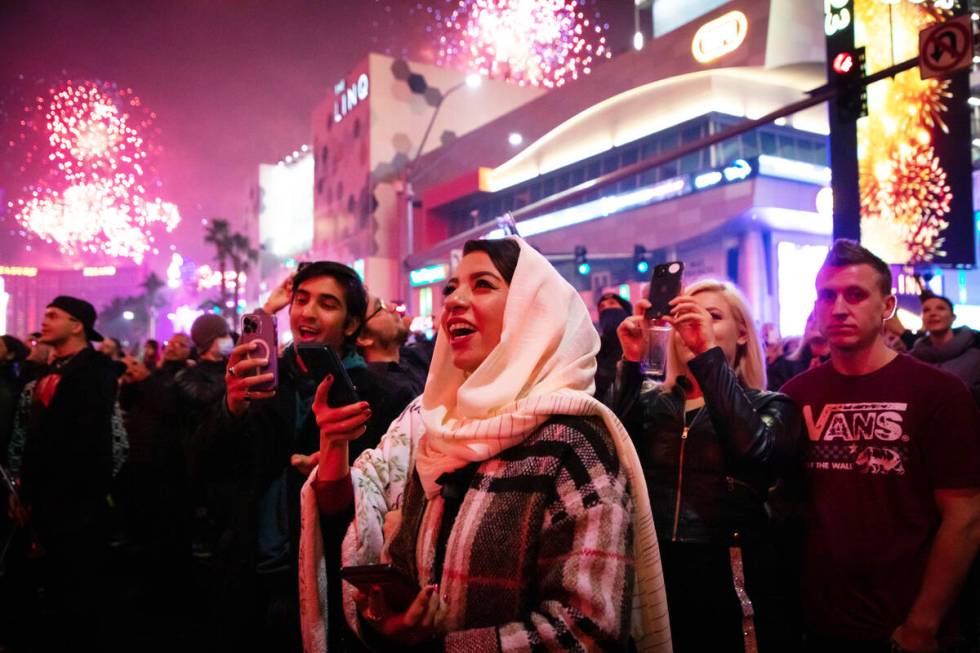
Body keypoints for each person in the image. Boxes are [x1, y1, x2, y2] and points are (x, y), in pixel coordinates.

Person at [298, 238, 671, 653]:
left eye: (482, 285)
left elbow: (585, 629)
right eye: (454, 287)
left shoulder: (571, 441)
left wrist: (441, 648)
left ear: (530, 313)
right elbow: (405, 564)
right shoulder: (440, 430)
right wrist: (394, 621)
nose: (455, 300)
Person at [779, 240, 980, 653]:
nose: (838, 308)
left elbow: (965, 516)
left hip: (904, 628)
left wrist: (923, 624)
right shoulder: (794, 395)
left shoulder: (939, 392)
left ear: (886, 305)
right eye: (827, 296)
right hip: (817, 623)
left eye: (855, 295)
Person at [198, 262, 393, 652]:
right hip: (252, 566)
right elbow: (207, 464)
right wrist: (231, 407)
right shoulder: (262, 377)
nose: (307, 312)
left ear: (352, 324)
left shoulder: (377, 393)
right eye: (301, 300)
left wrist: (334, 469)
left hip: (331, 574)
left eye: (327, 303)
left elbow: (387, 491)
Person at [614, 279, 802, 652]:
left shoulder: (772, 405)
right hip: (653, 574)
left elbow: (755, 453)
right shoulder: (653, 401)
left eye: (711, 316)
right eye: (681, 315)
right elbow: (612, 451)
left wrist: (707, 354)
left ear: (744, 333)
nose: (692, 324)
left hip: (729, 578)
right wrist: (632, 364)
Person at [8, 296, 118, 650]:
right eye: (45, 314)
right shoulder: (48, 372)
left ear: (77, 325)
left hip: (76, 504)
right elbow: (33, 439)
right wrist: (25, 492)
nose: (45, 320)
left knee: (78, 591)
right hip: (45, 501)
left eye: (53, 315)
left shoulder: (96, 374)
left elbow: (85, 443)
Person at [909, 295, 980, 405]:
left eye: (940, 308)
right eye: (926, 310)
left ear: (953, 317)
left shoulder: (976, 348)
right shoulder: (913, 359)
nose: (932, 313)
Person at [357, 293, 425, 402]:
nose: (393, 308)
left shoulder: (411, 357)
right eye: (380, 307)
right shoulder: (379, 390)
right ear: (364, 337)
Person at [767, 312, 831, 391]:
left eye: (819, 317)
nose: (814, 321)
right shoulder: (783, 366)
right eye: (810, 319)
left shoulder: (842, 365)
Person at [595, 291, 632, 403]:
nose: (606, 309)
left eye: (612, 303)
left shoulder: (640, 344)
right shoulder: (596, 347)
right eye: (602, 307)